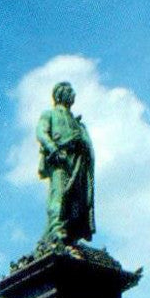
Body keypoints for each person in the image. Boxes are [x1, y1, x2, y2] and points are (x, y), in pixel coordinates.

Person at [35, 80, 96, 244]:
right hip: (60, 158)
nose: (73, 95)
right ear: (61, 94)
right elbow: (41, 132)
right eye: (70, 92)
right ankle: (56, 229)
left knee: (76, 199)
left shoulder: (77, 122)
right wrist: (52, 148)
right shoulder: (50, 114)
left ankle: (70, 233)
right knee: (60, 193)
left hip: (78, 161)